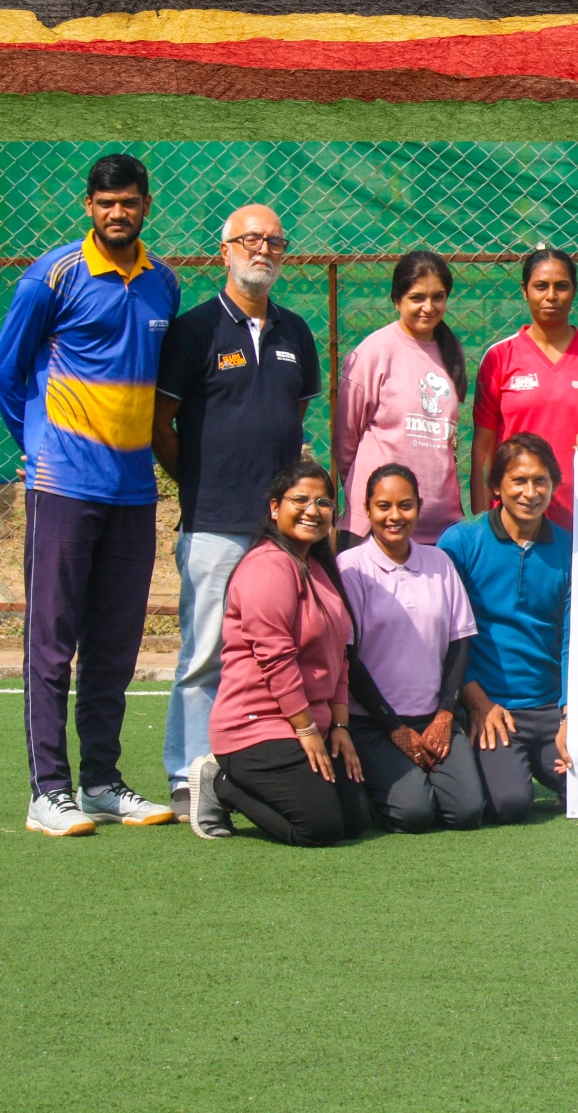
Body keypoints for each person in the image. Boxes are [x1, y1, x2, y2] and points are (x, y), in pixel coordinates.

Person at [0, 152, 182, 837]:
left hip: (133, 491)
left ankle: (101, 782)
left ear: (146, 205)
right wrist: (37, 447)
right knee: (52, 640)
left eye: (128, 202)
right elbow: (5, 372)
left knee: (115, 644)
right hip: (64, 486)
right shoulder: (53, 275)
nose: (117, 214)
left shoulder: (165, 283)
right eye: (105, 204)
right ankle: (48, 791)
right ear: (88, 206)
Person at [152, 204, 320, 822]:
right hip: (213, 520)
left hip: (277, 535)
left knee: (276, 649)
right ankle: (188, 771)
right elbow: (160, 423)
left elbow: (293, 419)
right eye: (250, 239)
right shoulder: (194, 330)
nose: (263, 249)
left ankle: (255, 769)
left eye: (275, 241)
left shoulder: (295, 333)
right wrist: (198, 480)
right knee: (205, 651)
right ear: (223, 251)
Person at [187, 462, 367, 847]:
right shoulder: (267, 566)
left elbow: (340, 655)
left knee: (356, 821)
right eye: (299, 499)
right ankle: (221, 784)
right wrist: (305, 729)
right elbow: (276, 659)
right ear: (274, 508)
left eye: (323, 502)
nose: (312, 510)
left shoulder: (318, 567)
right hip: (256, 725)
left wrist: (339, 727)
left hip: (310, 723)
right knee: (319, 829)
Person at [337, 464, 487, 833]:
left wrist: (445, 714)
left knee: (467, 812)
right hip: (375, 722)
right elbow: (349, 658)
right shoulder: (351, 567)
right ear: (367, 508)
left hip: (434, 718)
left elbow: (459, 642)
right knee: (413, 815)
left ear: (419, 507)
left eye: (405, 505)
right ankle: (368, 795)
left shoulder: (439, 562)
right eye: (383, 506)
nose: (394, 516)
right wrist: (394, 728)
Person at [439, 433, 573, 823]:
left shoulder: (571, 548)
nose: (530, 492)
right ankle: (505, 762)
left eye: (541, 481)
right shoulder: (461, 542)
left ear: (553, 486)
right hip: (493, 706)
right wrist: (478, 703)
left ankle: (545, 758)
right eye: (519, 480)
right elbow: (449, 637)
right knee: (510, 804)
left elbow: (571, 639)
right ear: (496, 486)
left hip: (550, 707)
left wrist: (570, 716)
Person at [472, 248, 578, 526]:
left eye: (561, 286)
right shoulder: (500, 356)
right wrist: (480, 523)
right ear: (524, 291)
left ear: (574, 291)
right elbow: (481, 451)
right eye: (540, 286)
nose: (551, 296)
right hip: (513, 521)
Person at [335, 251, 469, 550]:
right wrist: (371, 501)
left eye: (438, 297)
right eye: (417, 297)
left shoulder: (452, 350)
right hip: (379, 527)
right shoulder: (374, 352)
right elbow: (345, 444)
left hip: (439, 527)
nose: (428, 307)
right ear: (397, 300)